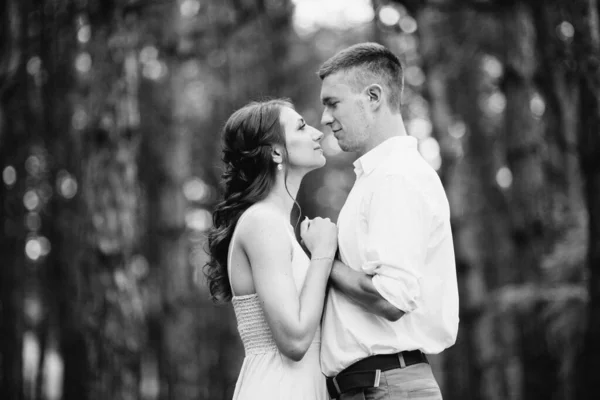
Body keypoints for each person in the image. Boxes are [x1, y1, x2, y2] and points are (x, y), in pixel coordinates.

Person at [317, 43, 459, 399]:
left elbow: (391, 298)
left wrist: (321, 259)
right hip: (374, 386)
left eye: (333, 103)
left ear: (374, 96)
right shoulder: (376, 178)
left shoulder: (396, 177)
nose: (324, 118)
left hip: (387, 387)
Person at [205, 99, 336, 400]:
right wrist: (323, 254)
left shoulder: (274, 223)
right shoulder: (262, 222)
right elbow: (293, 340)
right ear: (276, 151)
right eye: (302, 127)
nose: (317, 133)